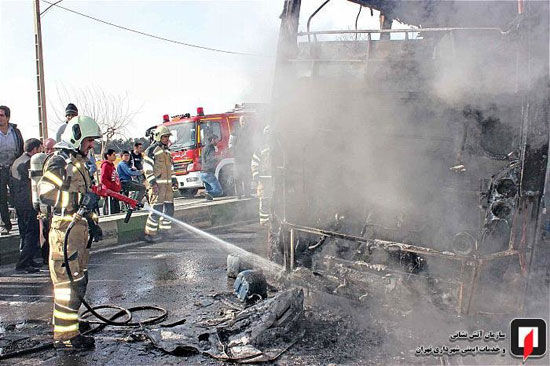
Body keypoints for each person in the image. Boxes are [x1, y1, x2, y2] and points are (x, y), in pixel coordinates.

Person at [38, 115, 102, 350]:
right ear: (76, 137)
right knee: (67, 287)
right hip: (65, 231)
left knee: (79, 281)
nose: (91, 145)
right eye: (88, 141)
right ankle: (66, 336)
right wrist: (78, 200)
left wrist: (94, 222)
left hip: (79, 231)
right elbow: (45, 193)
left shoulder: (78, 163)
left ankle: (71, 322)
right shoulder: (59, 162)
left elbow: (87, 201)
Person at [11, 138, 43, 273]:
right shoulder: (29, 163)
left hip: (19, 203)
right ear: (35, 149)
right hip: (29, 203)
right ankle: (23, 263)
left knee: (25, 233)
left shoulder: (17, 161)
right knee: (32, 233)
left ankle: (28, 260)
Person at [143, 126, 175, 242]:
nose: (167, 139)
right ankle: (150, 234)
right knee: (156, 209)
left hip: (168, 186)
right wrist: (152, 183)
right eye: (165, 136)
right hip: (157, 186)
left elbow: (171, 167)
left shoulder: (167, 151)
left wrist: (174, 179)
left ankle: (165, 231)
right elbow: (147, 168)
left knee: (169, 209)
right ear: (158, 137)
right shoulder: (152, 150)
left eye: (167, 137)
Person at [0, 105, 24, 235]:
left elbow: (21, 148)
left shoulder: (15, 132)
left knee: (18, 196)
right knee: (2, 197)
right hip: (0, 169)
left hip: (14, 168)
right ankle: (5, 224)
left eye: (2, 115)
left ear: (7, 117)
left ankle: (22, 221)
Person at [229, 116, 253, 198]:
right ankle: (239, 195)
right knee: (238, 176)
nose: (244, 122)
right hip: (238, 158)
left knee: (247, 176)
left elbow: (253, 143)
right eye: (242, 120)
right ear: (240, 122)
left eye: (245, 120)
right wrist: (235, 154)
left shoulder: (250, 131)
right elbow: (231, 144)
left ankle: (248, 194)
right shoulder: (235, 132)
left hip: (247, 157)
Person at [200, 134, 223, 200]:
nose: (217, 142)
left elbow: (201, 159)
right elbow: (210, 158)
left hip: (202, 173)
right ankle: (206, 193)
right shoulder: (211, 147)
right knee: (218, 191)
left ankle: (208, 200)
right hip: (208, 173)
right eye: (216, 140)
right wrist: (219, 157)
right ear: (213, 140)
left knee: (209, 197)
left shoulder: (204, 148)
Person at [100, 149, 121, 215]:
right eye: (113, 155)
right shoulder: (105, 166)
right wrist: (111, 188)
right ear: (108, 156)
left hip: (115, 191)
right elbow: (103, 179)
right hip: (109, 192)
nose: (115, 157)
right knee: (110, 210)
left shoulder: (112, 166)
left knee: (116, 210)